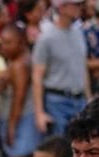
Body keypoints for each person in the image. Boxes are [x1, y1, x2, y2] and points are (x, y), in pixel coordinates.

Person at [33, 0, 91, 135]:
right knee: (59, 150)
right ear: (62, 7)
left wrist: (88, 98)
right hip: (56, 102)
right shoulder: (46, 38)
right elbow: (37, 75)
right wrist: (39, 113)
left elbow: (82, 68)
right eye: (75, 4)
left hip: (79, 100)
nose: (79, 7)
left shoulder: (79, 34)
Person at [0, 25, 44, 157]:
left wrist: (12, 126)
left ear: (21, 42)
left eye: (9, 43)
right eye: (2, 43)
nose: (4, 47)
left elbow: (18, 98)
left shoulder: (19, 64)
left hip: (21, 120)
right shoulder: (23, 60)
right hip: (26, 119)